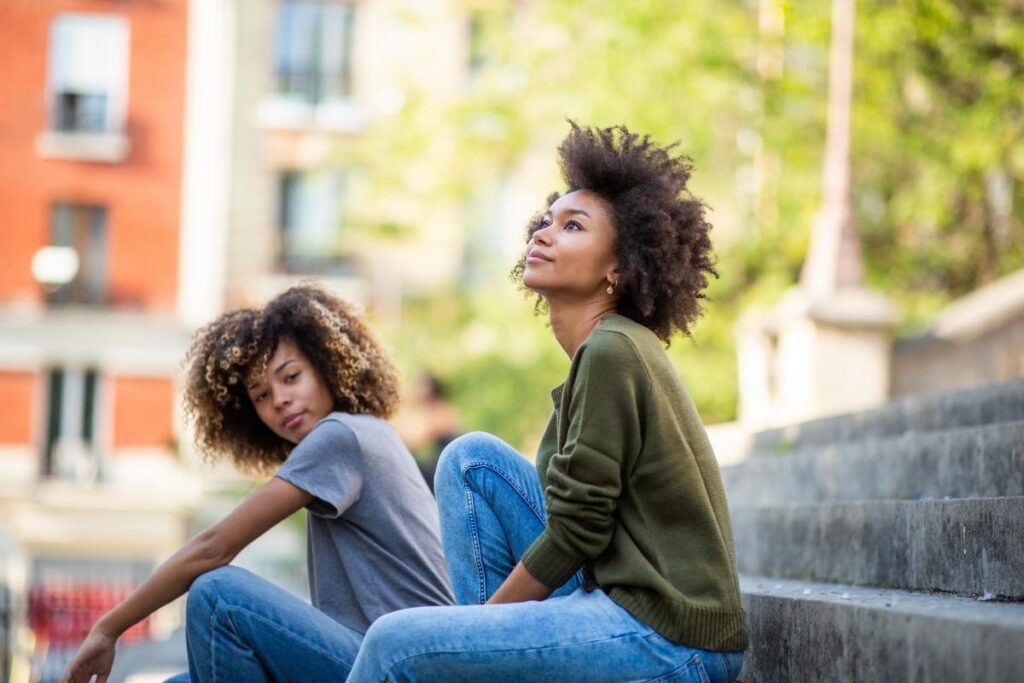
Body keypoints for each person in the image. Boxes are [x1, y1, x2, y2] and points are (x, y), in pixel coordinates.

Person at [346, 122, 749, 682]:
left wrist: (478, 632)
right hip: (625, 606)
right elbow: (577, 521)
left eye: (573, 226)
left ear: (618, 269)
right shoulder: (605, 352)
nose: (543, 233)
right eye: (545, 221)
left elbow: (577, 531)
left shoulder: (612, 352)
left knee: (396, 644)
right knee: (472, 460)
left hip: (669, 640)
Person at [61, 285, 454, 683]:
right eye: (261, 395)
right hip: (380, 657)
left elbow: (214, 547)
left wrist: (107, 628)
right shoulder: (368, 433)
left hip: (402, 666)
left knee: (218, 596)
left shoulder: (339, 437)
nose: (280, 400)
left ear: (329, 364)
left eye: (291, 377)